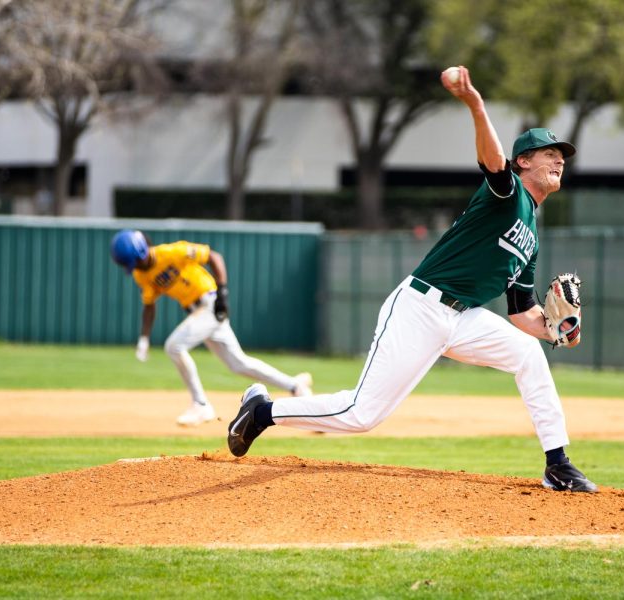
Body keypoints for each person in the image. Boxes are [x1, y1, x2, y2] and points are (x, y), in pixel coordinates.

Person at [226, 65, 597, 493]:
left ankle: (557, 464)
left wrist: (556, 330)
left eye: (562, 155)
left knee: (528, 355)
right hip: (420, 308)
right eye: (549, 152)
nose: (559, 159)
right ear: (524, 162)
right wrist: (476, 104)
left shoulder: (531, 236)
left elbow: (522, 310)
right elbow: (492, 162)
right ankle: (261, 411)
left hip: (464, 319)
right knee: (361, 414)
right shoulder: (508, 193)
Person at [110, 229, 313, 426]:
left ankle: (201, 404)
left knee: (174, 346)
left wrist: (222, 294)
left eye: (135, 260)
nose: (134, 266)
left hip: (210, 304)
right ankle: (295, 386)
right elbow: (149, 305)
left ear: (141, 251)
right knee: (239, 364)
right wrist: (144, 339)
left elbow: (214, 257)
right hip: (198, 312)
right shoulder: (141, 274)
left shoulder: (171, 252)